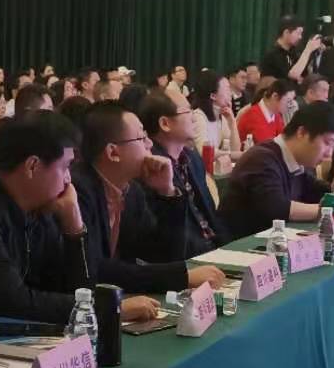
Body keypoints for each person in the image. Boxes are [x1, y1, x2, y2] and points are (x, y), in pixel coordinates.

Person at [0, 113, 158, 327]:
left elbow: (79, 290)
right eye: (65, 167)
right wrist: (108, 307)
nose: (68, 179)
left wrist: (74, 226)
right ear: (32, 166)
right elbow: (13, 301)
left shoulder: (43, 206)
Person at [69, 101, 228, 297]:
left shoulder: (132, 191)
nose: (150, 144)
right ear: (113, 152)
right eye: (141, 137)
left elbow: (163, 254)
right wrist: (181, 278)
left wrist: (167, 192)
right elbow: (98, 269)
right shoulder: (79, 191)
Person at [219, 102, 334, 239]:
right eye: (327, 143)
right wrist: (332, 210)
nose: (329, 154)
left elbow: (331, 197)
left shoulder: (297, 162)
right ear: (302, 133)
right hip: (240, 246)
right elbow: (277, 208)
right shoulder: (261, 158)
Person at [141, 90, 228, 257]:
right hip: (186, 257)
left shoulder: (192, 158)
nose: (194, 117)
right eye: (187, 111)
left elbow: (211, 214)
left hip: (213, 249)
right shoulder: (152, 168)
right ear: (165, 123)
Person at [189, 69, 241, 163]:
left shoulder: (223, 115)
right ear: (213, 96)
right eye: (227, 89)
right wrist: (232, 154)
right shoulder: (198, 116)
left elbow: (235, 150)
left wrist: (232, 122)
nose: (230, 93)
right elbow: (204, 152)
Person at [259, 15, 326, 83]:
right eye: (298, 33)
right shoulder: (273, 54)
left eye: (301, 34)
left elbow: (304, 75)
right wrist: (308, 49)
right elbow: (293, 75)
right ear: (286, 32)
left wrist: (316, 54)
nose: (300, 37)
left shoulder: (294, 53)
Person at [235, 79, 293, 145]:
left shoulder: (276, 115)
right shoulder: (252, 116)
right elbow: (268, 147)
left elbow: (285, 141)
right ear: (275, 96)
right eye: (288, 101)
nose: (290, 105)